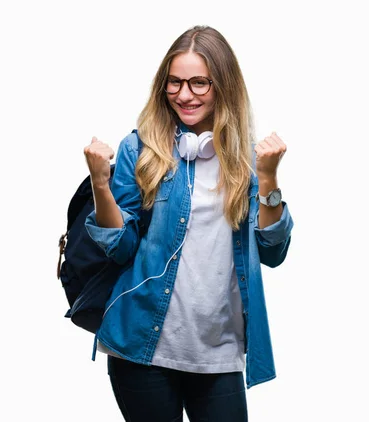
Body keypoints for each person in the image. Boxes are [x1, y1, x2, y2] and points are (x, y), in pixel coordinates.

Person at [83, 25, 293, 421]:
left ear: (223, 85)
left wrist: (268, 180)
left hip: (218, 352)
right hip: (142, 345)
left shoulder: (248, 161)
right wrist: (100, 184)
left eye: (200, 83)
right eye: (175, 83)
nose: (184, 94)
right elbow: (121, 247)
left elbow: (273, 252)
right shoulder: (140, 149)